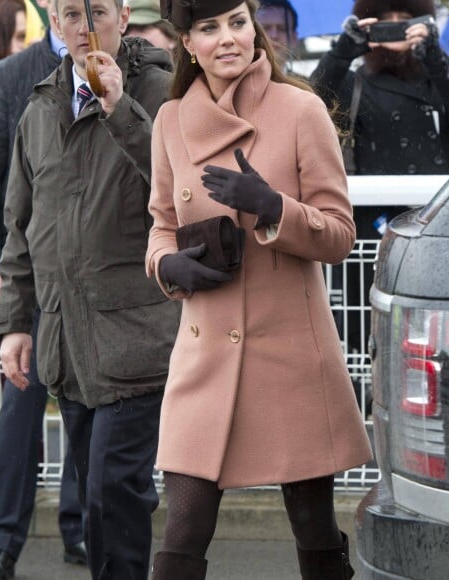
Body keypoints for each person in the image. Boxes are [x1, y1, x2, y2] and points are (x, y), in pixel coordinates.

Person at [146, 1, 373, 578]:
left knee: (315, 530)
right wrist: (168, 266)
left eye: (238, 23)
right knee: (182, 533)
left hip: (291, 358)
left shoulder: (302, 110)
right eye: (209, 28)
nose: (228, 39)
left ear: (254, 30)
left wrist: (274, 207)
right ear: (187, 44)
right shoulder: (170, 120)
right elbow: (160, 225)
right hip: (203, 360)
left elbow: (340, 234)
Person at [0, 0, 179, 578]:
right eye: (71, 15)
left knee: (112, 494)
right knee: (99, 499)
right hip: (66, 342)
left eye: (97, 13)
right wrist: (16, 324)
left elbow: (181, 190)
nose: (85, 27)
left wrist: (120, 107)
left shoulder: (160, 92)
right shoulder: (40, 108)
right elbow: (21, 228)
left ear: (123, 18)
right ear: (54, 24)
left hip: (136, 338)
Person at [0, 1, 88, 578]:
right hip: (29, 282)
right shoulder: (13, 77)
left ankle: (84, 529)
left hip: (102, 282)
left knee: (94, 409)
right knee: (19, 410)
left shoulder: (137, 72)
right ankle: (0, 542)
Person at [310, 0, 449, 392]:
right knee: (371, 313)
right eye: (383, 22)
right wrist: (344, 48)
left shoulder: (432, 74)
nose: (393, 29)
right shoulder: (356, 78)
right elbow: (310, 99)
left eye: (403, 21)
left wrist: (434, 54)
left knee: (433, 310)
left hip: (433, 217)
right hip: (373, 225)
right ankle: (376, 388)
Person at [256, 0, 298, 68]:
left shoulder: (307, 79)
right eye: (265, 28)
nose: (274, 35)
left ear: (294, 38)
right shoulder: (235, 78)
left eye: (282, 29)